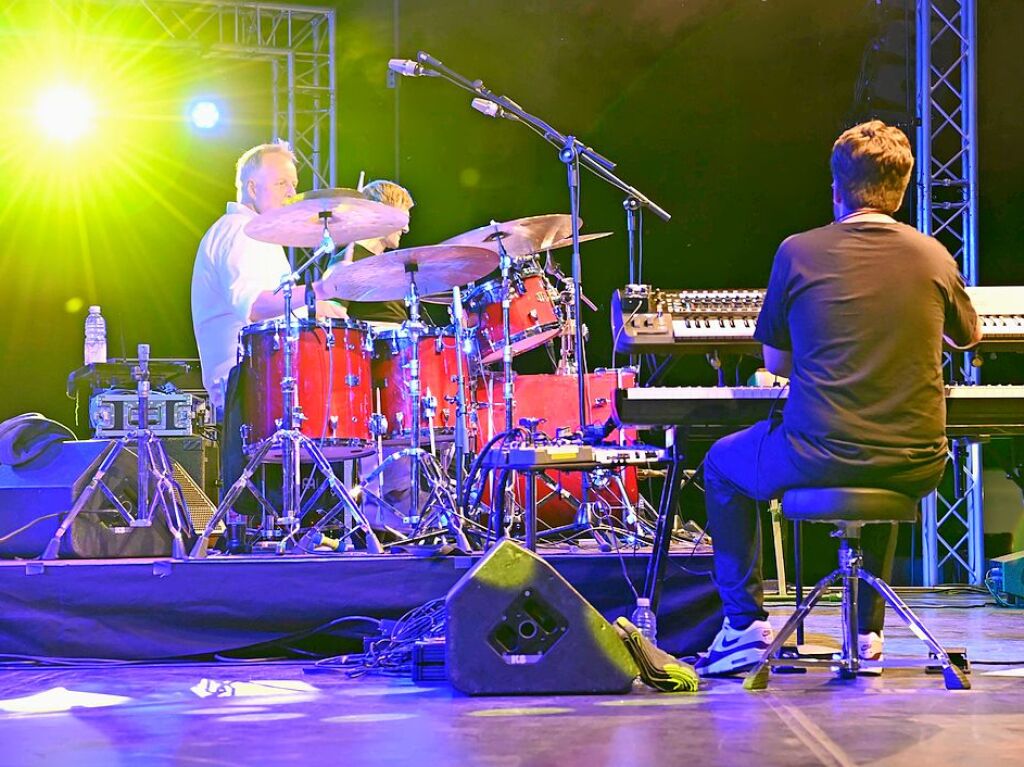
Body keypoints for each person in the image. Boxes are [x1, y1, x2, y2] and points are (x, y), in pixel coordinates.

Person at [694, 120, 982, 676]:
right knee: (879, 452)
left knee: (723, 465)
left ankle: (744, 628)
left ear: (836, 189)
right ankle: (867, 637)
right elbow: (966, 337)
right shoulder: (934, 255)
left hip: (815, 451)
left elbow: (776, 364)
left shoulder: (798, 251)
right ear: (902, 190)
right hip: (917, 459)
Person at [190, 141, 349, 520]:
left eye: (294, 184)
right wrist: (319, 293)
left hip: (259, 378)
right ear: (251, 188)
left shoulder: (253, 234)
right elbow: (257, 307)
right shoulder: (241, 231)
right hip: (247, 383)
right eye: (281, 184)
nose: (293, 194)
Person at [325, 180, 419, 530]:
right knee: (385, 453)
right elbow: (330, 313)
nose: (408, 227)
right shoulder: (348, 257)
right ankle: (379, 523)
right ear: (380, 215)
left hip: (394, 367)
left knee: (404, 448)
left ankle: (401, 518)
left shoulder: (385, 262)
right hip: (368, 371)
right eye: (402, 217)